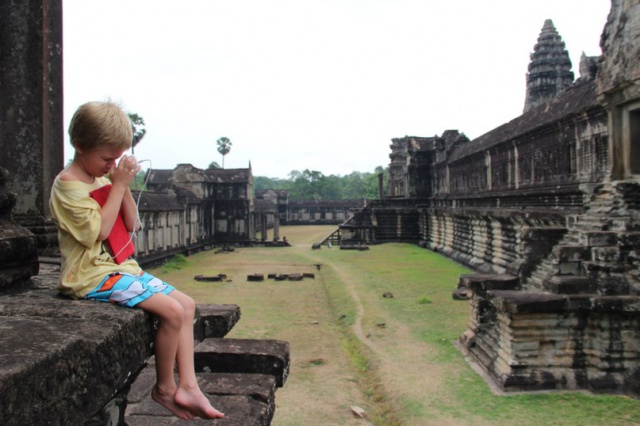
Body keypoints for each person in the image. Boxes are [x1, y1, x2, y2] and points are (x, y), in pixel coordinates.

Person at [49, 101, 224, 421]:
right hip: (89, 276)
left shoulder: (102, 179)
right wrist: (116, 184)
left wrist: (122, 185)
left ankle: (190, 385)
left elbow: (131, 224)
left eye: (115, 158)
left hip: (119, 267)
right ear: (78, 146)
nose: (110, 165)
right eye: (106, 158)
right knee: (171, 312)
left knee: (186, 304)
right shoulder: (68, 186)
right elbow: (97, 232)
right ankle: (165, 388)